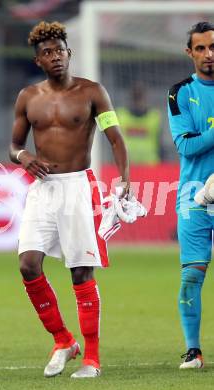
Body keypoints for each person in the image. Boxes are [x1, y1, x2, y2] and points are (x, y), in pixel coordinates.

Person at [9, 21, 130, 378]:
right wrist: (23, 158)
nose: (55, 56)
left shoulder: (92, 92)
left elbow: (116, 138)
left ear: (69, 53)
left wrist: (125, 180)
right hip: (43, 189)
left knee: (80, 271)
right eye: (47, 52)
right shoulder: (27, 97)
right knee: (28, 264)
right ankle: (63, 340)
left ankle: (92, 358)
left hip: (79, 187)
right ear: (38, 61)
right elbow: (15, 145)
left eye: (60, 50)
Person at [167, 21, 214, 369]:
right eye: (201, 48)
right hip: (193, 194)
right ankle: (193, 350)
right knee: (192, 274)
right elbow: (187, 146)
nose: (209, 54)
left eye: (213, 47)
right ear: (190, 52)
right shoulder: (179, 93)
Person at [117, 81, 162, 164]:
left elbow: (160, 144)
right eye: (136, 97)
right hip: (128, 165)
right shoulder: (121, 115)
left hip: (150, 166)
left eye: (139, 97)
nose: (138, 101)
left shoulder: (154, 116)